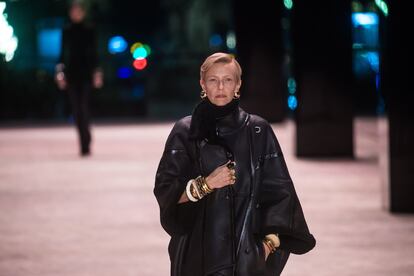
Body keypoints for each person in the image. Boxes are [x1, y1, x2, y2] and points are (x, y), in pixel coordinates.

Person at [154, 53, 315, 276]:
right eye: (213, 80)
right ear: (202, 84)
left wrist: (267, 246)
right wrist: (205, 184)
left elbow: (281, 194)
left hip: (247, 259)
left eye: (228, 80)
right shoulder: (185, 131)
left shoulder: (258, 130)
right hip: (197, 257)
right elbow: (166, 190)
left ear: (238, 84)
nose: (220, 86)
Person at [55, 1, 103, 156]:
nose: (75, 13)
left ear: (83, 12)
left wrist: (97, 73)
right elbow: (62, 53)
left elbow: (95, 53)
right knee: (76, 110)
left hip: (86, 74)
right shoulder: (66, 30)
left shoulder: (90, 29)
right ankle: (83, 141)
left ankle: (86, 143)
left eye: (78, 11)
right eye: (73, 11)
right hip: (71, 74)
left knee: (83, 108)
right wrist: (60, 73)